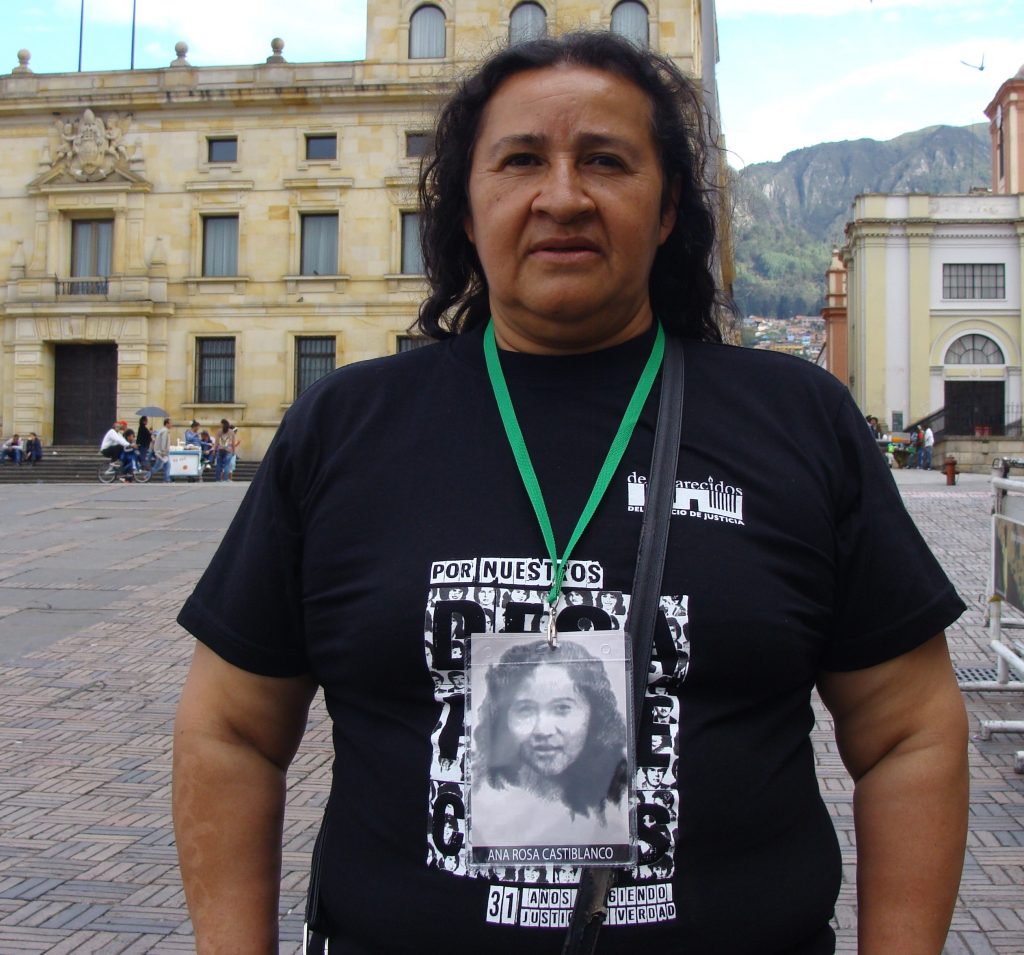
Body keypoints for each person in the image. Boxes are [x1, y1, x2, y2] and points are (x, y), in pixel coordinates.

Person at [174, 31, 968, 955]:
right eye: (520, 161)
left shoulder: (797, 419)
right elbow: (230, 728)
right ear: (466, 211)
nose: (562, 195)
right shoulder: (347, 424)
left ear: (667, 206)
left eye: (605, 160)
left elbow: (909, 730)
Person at [470, 639, 629, 851]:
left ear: (595, 714)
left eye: (562, 708)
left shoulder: (619, 796)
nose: (543, 730)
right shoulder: (482, 797)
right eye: (525, 709)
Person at [150, 418, 173, 483]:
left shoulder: (162, 430)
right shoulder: (165, 431)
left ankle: (167, 479)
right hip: (162, 452)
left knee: (167, 465)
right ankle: (147, 475)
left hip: (162, 452)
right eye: (170, 423)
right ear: (167, 424)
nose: (172, 425)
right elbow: (163, 441)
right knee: (158, 466)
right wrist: (163, 451)